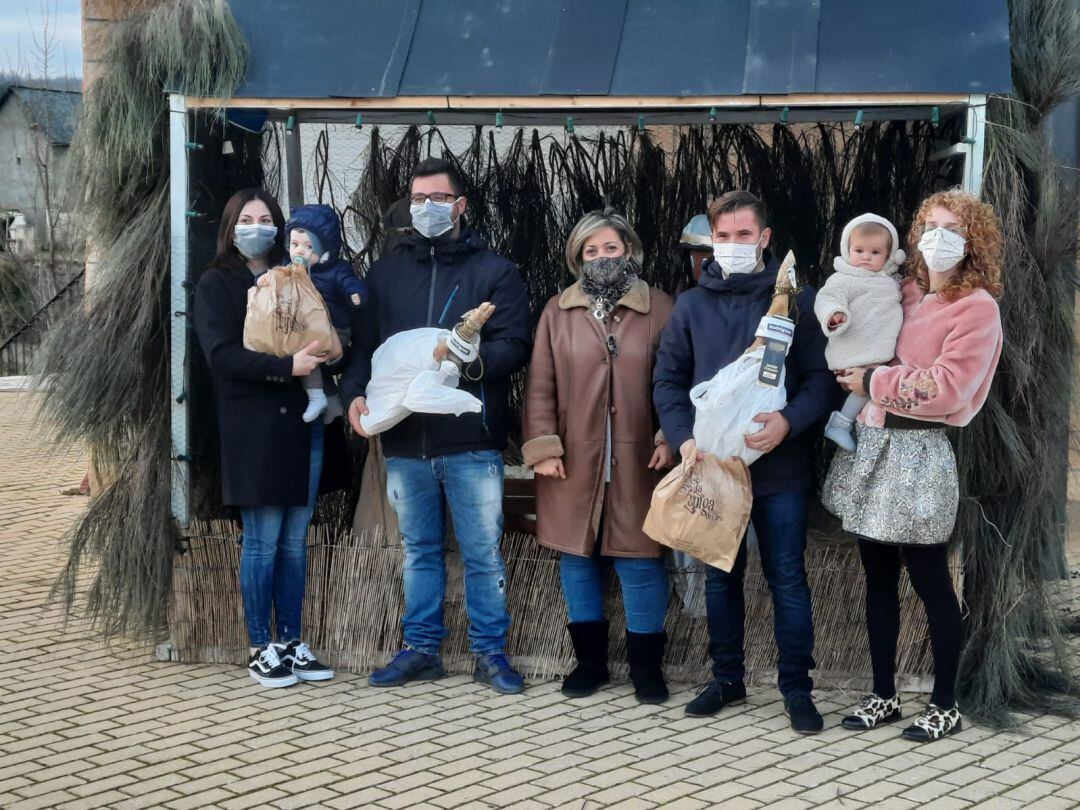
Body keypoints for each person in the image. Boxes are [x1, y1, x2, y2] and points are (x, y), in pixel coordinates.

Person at [342, 157, 532, 694]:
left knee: (482, 552)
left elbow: (515, 345)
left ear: (461, 205)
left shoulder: (494, 271)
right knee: (419, 551)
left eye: (438, 199)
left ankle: (491, 653)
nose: (427, 208)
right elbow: (364, 350)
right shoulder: (386, 272)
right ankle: (421, 648)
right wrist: (353, 393)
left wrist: (467, 364)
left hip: (471, 441)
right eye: (418, 199)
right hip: (405, 441)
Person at [823, 189, 1003, 742]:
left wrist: (873, 381)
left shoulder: (976, 307)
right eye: (930, 226)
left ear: (972, 242)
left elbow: (949, 387)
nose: (938, 237)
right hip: (874, 445)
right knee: (876, 576)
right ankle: (884, 693)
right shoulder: (906, 291)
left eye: (952, 228)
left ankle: (945, 702)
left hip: (920, 453)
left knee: (929, 579)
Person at [652, 190, 836, 733]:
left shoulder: (798, 301)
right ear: (712, 239)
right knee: (718, 580)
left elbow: (820, 381)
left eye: (743, 236)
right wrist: (684, 439)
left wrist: (788, 422)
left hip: (779, 468)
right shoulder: (691, 306)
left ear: (765, 239)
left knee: (787, 579)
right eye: (723, 237)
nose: (732, 246)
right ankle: (727, 680)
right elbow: (667, 380)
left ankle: (796, 689)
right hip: (713, 467)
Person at [522, 210, 675, 704]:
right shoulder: (557, 311)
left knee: (640, 561)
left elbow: (677, 380)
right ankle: (589, 664)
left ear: (629, 249)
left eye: (611, 248)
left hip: (640, 459)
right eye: (591, 250)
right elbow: (540, 383)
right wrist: (543, 446)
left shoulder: (661, 308)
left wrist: (670, 435)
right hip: (574, 460)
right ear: (577, 257)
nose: (602, 257)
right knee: (577, 558)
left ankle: (647, 669)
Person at [193, 188, 334, 688]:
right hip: (252, 427)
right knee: (262, 543)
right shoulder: (217, 283)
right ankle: (260, 645)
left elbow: (321, 325)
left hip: (302, 424)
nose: (259, 227)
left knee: (295, 543)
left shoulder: (295, 273)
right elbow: (221, 356)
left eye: (267, 218)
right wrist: (285, 367)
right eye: (248, 219)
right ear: (231, 227)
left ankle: (293, 643)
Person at [261, 204, 366, 423]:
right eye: (295, 244)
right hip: (304, 326)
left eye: (308, 246)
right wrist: (264, 280)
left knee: (307, 353)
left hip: (334, 327)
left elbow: (350, 284)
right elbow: (275, 276)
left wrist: (355, 294)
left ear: (326, 250)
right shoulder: (289, 268)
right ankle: (329, 400)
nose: (299, 251)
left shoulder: (336, 271)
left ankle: (317, 395)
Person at [814, 214, 906, 451]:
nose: (866, 257)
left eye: (875, 253)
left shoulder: (891, 280)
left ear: (889, 256)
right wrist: (834, 314)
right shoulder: (845, 278)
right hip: (854, 351)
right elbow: (827, 298)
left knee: (875, 387)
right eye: (859, 250)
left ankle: (853, 426)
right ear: (848, 251)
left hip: (875, 350)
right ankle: (841, 423)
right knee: (871, 383)